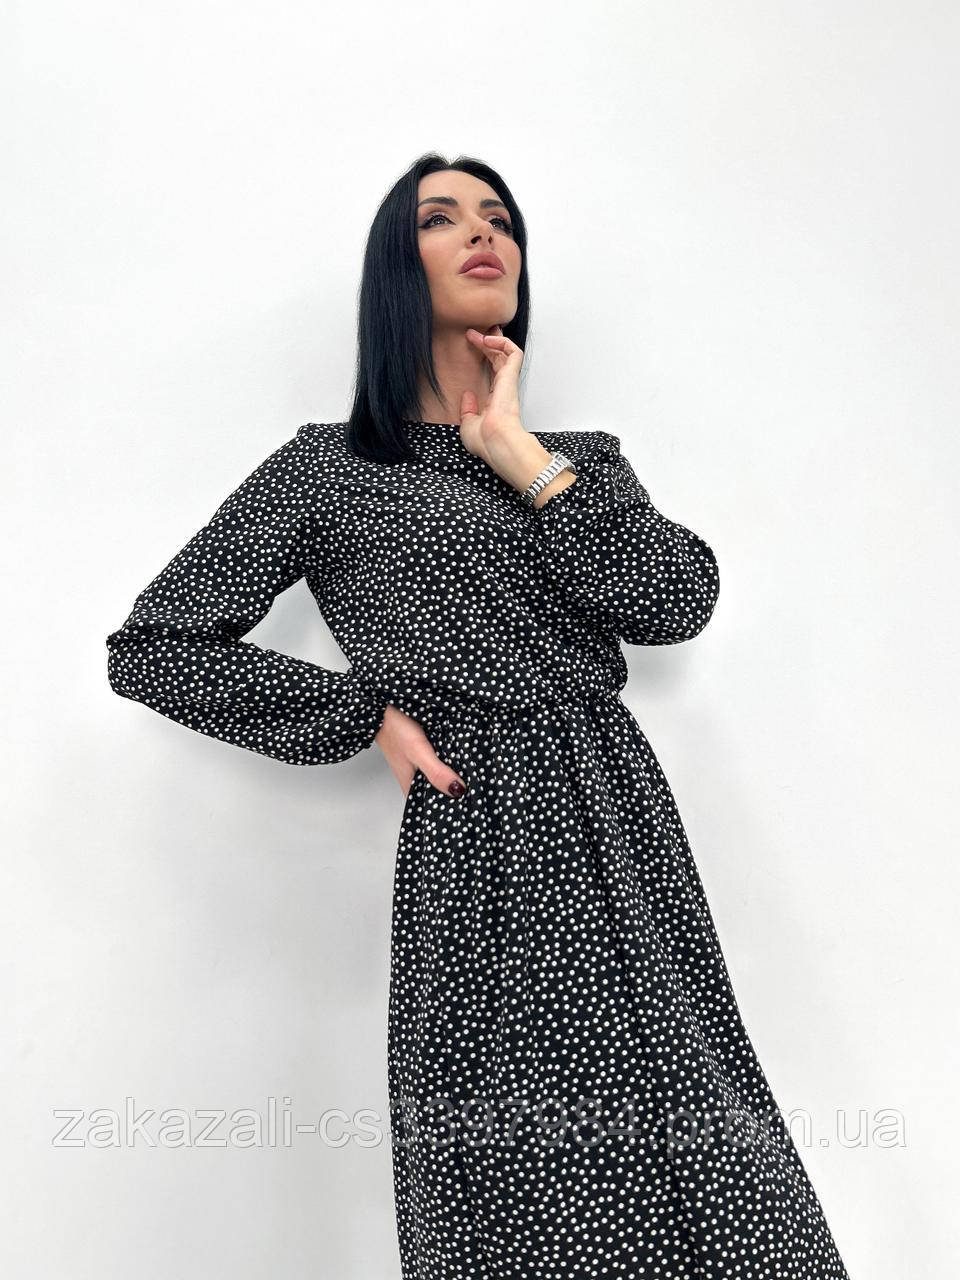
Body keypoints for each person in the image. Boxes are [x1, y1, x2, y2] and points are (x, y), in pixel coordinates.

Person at [105, 153, 851, 1278]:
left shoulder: (579, 463)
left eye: (498, 217)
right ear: (394, 270)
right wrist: (364, 714)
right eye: (442, 218)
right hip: (478, 827)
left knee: (704, 1138)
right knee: (515, 1159)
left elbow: (674, 602)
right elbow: (154, 647)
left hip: (614, 809)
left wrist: (520, 456)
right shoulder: (328, 470)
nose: (482, 233)